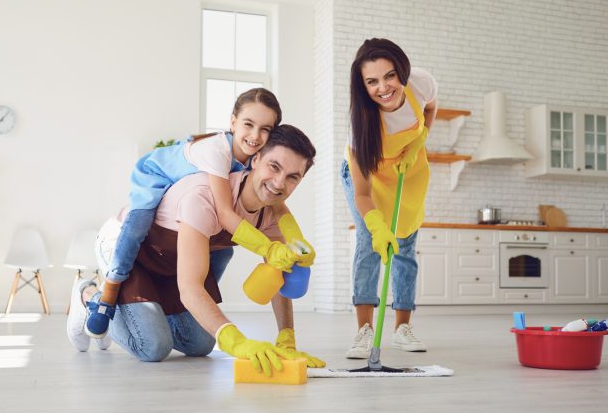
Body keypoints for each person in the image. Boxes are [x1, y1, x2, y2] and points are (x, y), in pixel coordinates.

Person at [67, 124, 324, 374]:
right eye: (274, 167)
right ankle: (88, 296)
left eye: (293, 177)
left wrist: (286, 338)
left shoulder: (272, 215)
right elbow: (190, 289)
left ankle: (145, 313)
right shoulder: (204, 195)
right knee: (153, 347)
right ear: (255, 159)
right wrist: (236, 342)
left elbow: (280, 272)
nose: (279, 183)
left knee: (200, 344)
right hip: (130, 252)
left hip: (171, 262)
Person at [85, 88, 314, 339]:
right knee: (138, 224)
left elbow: (277, 206)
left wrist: (296, 243)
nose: (255, 135)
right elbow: (225, 213)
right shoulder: (216, 158)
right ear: (233, 122)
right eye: (249, 124)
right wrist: (267, 249)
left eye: (265, 129)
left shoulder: (251, 161)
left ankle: (169, 309)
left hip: (171, 257)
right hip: (152, 179)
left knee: (222, 254)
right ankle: (101, 296)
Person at [341, 38, 438, 359]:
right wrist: (377, 226)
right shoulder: (361, 126)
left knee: (406, 246)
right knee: (370, 244)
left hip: (408, 170)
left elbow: (431, 107)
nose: (383, 87)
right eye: (372, 81)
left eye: (389, 76)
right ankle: (364, 331)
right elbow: (362, 192)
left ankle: (402, 328)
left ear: (403, 72)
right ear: (362, 85)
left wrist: (420, 140)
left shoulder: (421, 83)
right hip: (367, 178)